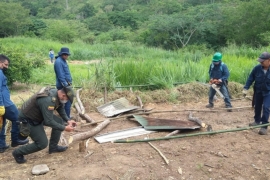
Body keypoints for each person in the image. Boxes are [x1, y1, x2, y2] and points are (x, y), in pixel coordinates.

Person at [12, 86, 77, 164]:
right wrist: (64, 128)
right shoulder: (48, 100)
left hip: (39, 115)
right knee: (42, 143)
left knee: (59, 121)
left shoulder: (56, 94)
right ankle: (18, 152)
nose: (66, 101)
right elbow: (49, 121)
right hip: (29, 120)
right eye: (67, 99)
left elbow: (60, 108)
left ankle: (53, 147)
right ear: (63, 95)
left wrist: (68, 120)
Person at [0, 54, 29, 153]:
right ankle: (16, 140)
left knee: (2, 123)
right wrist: (1, 105)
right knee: (17, 118)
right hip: (5, 103)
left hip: (3, 102)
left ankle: (1, 145)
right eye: (5, 64)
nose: (6, 67)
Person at [243, 52, 270, 135]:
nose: (260, 63)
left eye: (262, 61)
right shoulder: (257, 68)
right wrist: (245, 88)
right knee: (257, 106)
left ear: (269, 60)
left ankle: (264, 126)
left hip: (268, 92)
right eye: (260, 61)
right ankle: (257, 121)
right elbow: (251, 78)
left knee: (266, 107)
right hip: (258, 91)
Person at [54, 47, 73, 118]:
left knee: (69, 100)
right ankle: (66, 118)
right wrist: (66, 86)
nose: (66, 56)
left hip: (67, 85)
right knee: (67, 101)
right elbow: (60, 75)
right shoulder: (58, 62)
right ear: (62, 54)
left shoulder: (63, 60)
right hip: (63, 86)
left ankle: (67, 117)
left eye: (67, 55)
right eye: (65, 55)